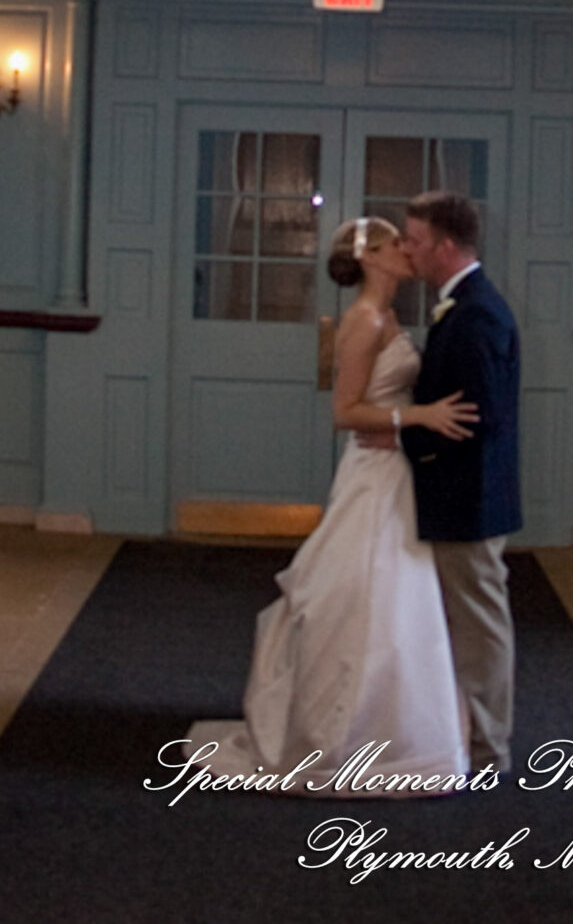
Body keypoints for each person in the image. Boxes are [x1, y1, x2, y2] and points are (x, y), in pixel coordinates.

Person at [183, 215, 478, 788]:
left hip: (395, 469)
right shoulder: (365, 320)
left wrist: (406, 424)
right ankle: (339, 735)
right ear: (370, 257)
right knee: (361, 591)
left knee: (398, 595)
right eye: (396, 244)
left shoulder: (389, 315)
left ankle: (393, 729)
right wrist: (418, 417)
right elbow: (345, 413)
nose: (406, 250)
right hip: (372, 475)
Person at [399, 190, 521, 776]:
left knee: (479, 627)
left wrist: (409, 440)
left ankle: (489, 749)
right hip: (458, 493)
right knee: (465, 622)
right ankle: (465, 732)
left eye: (416, 241)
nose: (408, 252)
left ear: (446, 246)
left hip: (467, 496)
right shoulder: (461, 304)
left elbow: (480, 418)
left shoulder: (476, 313)